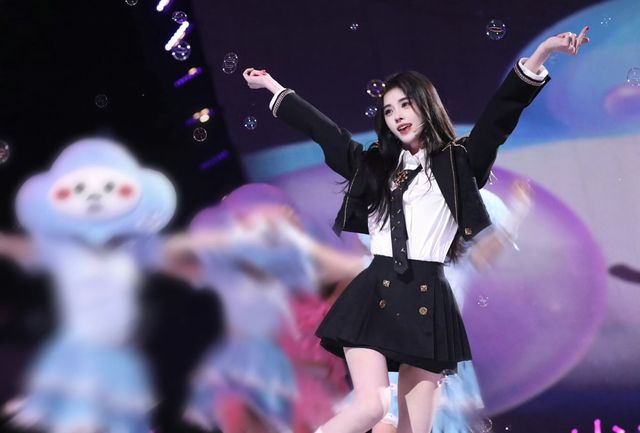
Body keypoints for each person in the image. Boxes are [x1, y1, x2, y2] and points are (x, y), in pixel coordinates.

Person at [242, 27, 589, 433]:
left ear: (426, 105)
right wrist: (273, 87)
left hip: (429, 301)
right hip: (375, 293)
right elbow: (326, 133)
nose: (398, 117)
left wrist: (543, 52)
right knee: (371, 407)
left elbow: (499, 118)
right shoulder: (373, 167)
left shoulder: (459, 163)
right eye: (389, 111)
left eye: (405, 105)